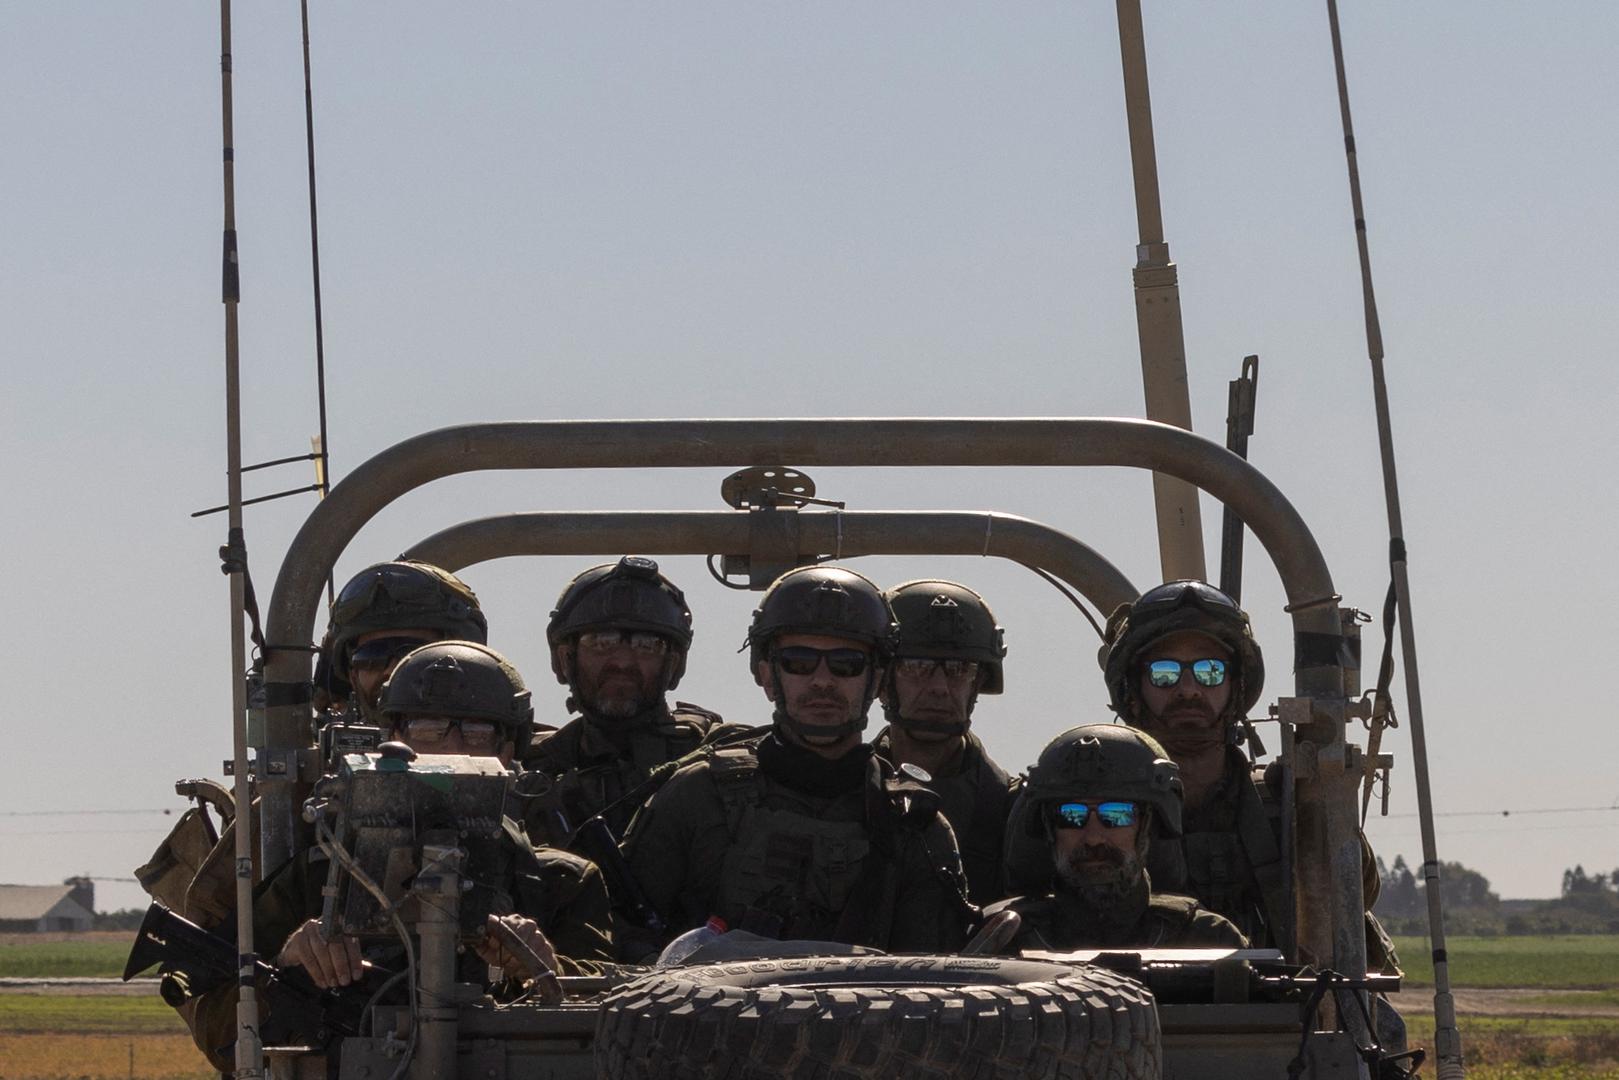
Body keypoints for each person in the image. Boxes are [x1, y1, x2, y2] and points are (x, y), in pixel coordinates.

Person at [188, 641, 612, 1070]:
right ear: (394, 742)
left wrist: (547, 971)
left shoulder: (560, 884)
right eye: (429, 729)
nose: (451, 751)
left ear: (507, 753)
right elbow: (217, 1032)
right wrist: (289, 965)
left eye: (477, 734)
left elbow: (623, 1021)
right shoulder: (319, 877)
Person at [619, 565, 970, 960]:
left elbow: (932, 978)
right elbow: (624, 946)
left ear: (876, 680)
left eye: (846, 664)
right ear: (767, 676)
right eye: (799, 662)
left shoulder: (914, 827)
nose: (823, 681)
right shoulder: (698, 797)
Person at [521, 556, 746, 847]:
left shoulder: (724, 763)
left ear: (673, 664)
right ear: (565, 658)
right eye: (601, 643)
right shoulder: (525, 770)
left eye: (647, 645)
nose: (623, 662)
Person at [985, 724, 1245, 951]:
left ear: (1148, 825)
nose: (1093, 838)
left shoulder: (1205, 939)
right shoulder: (1001, 938)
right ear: (1049, 828)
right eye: (1072, 816)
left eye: (1116, 815)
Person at [873, 578, 1017, 905]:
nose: (939, 687)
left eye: (958, 669)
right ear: (881, 681)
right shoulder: (843, 796)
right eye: (917, 667)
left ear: (977, 683)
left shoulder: (1013, 813)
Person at [318, 559, 491, 722]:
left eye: (412, 654)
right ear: (353, 677)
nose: (391, 671)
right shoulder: (314, 743)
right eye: (372, 658)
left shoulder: (499, 741)